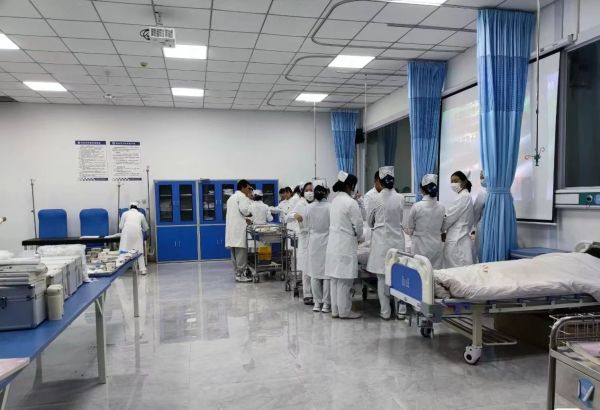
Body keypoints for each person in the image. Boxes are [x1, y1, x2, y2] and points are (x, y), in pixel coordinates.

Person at [366, 166, 405, 320]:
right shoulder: (400, 198)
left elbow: (369, 221)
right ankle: (401, 312)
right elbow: (400, 219)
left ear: (380, 181)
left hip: (381, 242)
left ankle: (385, 312)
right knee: (398, 277)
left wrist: (379, 224)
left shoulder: (374, 198)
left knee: (382, 278)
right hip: (397, 240)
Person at [325, 171, 364, 319]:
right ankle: (344, 311)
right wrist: (359, 236)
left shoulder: (334, 201)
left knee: (335, 280)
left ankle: (335, 311)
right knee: (345, 281)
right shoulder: (350, 202)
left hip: (333, 245)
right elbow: (358, 225)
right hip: (345, 245)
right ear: (349, 186)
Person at [404, 174, 445, 269]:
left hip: (420, 247)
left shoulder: (417, 206)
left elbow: (410, 228)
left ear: (422, 189)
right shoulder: (442, 207)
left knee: (420, 272)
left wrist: (410, 232)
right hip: (436, 246)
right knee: (435, 273)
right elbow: (442, 228)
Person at [303, 180, 331, 313]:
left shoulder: (309, 208)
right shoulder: (330, 207)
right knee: (326, 275)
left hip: (314, 242)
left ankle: (317, 303)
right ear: (326, 193)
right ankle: (326, 304)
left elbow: (306, 225)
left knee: (314, 274)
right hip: (327, 241)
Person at [442, 171, 475, 268]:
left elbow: (449, 218)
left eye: (456, 181)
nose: (453, 184)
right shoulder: (465, 196)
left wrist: (440, 229)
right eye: (451, 181)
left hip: (457, 239)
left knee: (456, 270)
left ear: (464, 182)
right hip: (460, 238)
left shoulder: (463, 197)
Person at [288, 181, 314, 305]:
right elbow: (288, 217)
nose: (309, 192)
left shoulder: (316, 203)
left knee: (315, 267)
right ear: (303, 192)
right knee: (306, 267)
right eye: (307, 190)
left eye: (311, 190)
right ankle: (307, 294)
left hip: (316, 238)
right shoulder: (300, 204)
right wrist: (295, 215)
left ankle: (315, 293)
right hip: (304, 237)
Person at [225, 179, 254, 282]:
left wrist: (245, 218)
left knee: (234, 252)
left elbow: (236, 213)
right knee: (241, 252)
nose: (249, 190)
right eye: (248, 188)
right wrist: (250, 214)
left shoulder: (231, 198)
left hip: (231, 229)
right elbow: (244, 210)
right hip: (239, 229)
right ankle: (241, 274)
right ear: (243, 187)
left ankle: (237, 273)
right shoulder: (242, 196)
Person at [119, 202, 149, 274]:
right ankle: (142, 269)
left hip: (126, 233)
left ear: (129, 207)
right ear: (137, 208)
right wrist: (142, 229)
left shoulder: (124, 213)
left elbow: (120, 226)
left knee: (123, 250)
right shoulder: (141, 214)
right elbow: (146, 227)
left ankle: (120, 269)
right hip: (137, 233)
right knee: (139, 251)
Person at [471, 170, 487, 263]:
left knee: (481, 253)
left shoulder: (483, 193)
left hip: (483, 227)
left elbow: (476, 212)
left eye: (482, 177)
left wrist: (473, 226)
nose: (481, 179)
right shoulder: (505, 193)